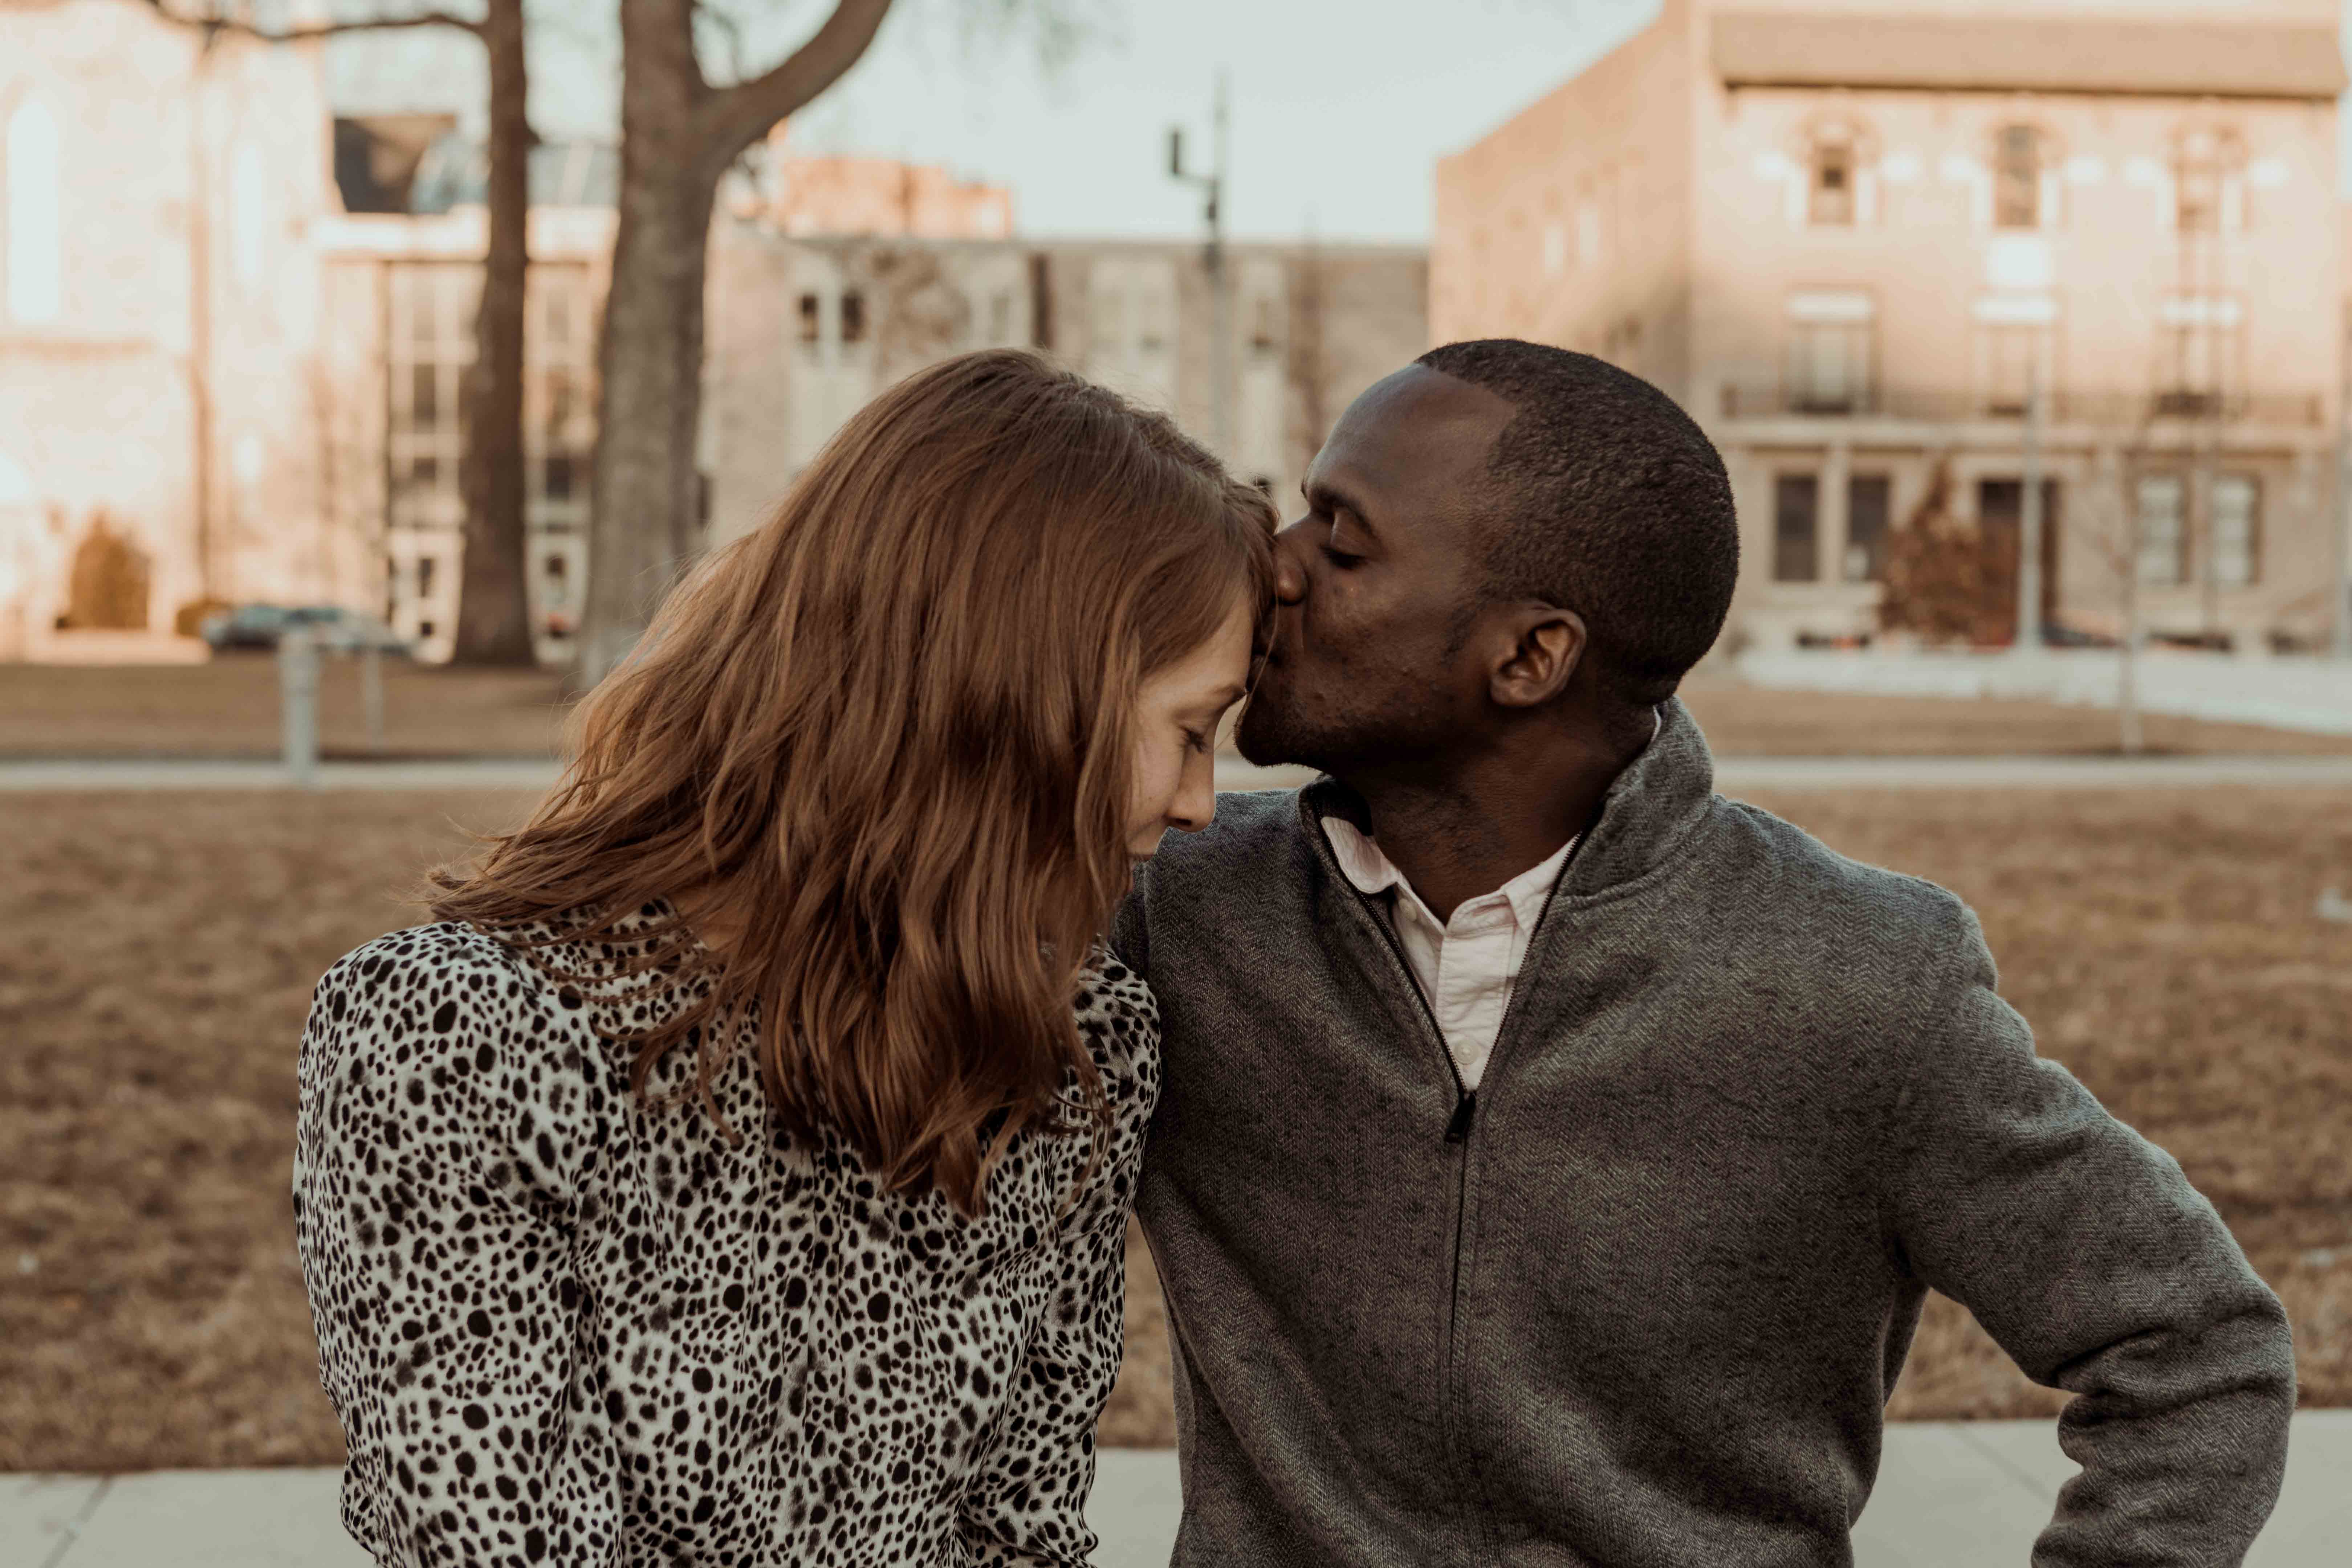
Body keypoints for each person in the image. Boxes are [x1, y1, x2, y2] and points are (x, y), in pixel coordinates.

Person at [1116, 338, 2296, 1565]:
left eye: (1341, 541)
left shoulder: (1862, 983)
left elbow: (2195, 1350)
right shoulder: (1174, 906)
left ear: (1530, 658)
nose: (1276, 566)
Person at [292, 350, 1273, 1567]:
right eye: (1189, 732)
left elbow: (1022, 1532)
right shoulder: (459, 1041)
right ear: (1015, 700)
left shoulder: (1077, 1046)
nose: (1200, 804)